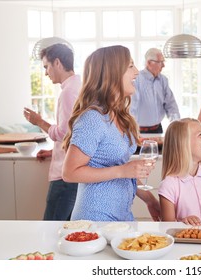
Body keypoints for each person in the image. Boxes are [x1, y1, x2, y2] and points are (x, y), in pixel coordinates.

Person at [62, 45, 160, 222]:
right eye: (130, 66)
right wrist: (122, 171)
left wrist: (150, 201)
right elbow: (70, 173)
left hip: (121, 217)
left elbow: (123, 169)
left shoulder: (119, 115)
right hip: (95, 220)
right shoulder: (93, 119)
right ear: (112, 73)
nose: (137, 72)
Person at [23, 43, 81, 221]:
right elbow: (75, 134)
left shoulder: (68, 92)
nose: (46, 72)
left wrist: (39, 121)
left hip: (64, 176)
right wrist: (53, 151)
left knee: (50, 228)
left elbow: (65, 133)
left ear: (57, 63)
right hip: (72, 171)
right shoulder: (78, 86)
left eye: (46, 66)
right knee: (67, 230)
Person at [130, 48, 180, 133]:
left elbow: (170, 104)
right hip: (138, 130)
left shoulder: (163, 80)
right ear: (149, 63)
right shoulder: (137, 79)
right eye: (160, 62)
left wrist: (177, 125)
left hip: (157, 129)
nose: (163, 65)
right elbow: (132, 106)